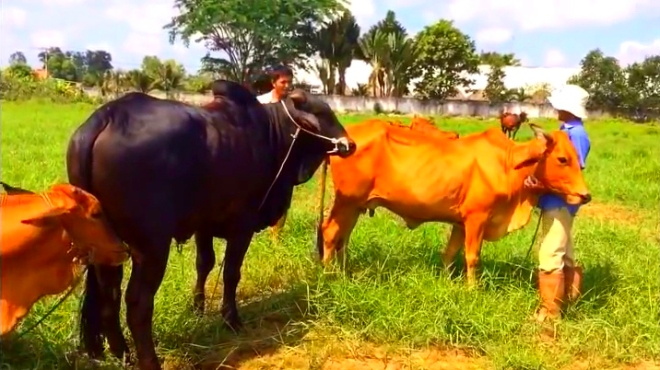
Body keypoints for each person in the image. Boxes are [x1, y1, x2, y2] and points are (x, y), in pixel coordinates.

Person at [526, 84, 591, 323]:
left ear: (566, 107)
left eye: (558, 105)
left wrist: (541, 186)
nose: (555, 108)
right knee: (565, 252)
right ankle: (569, 302)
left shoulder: (576, 135)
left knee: (551, 252)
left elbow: (571, 171)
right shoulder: (565, 130)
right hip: (554, 200)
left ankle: (550, 313)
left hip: (560, 201)